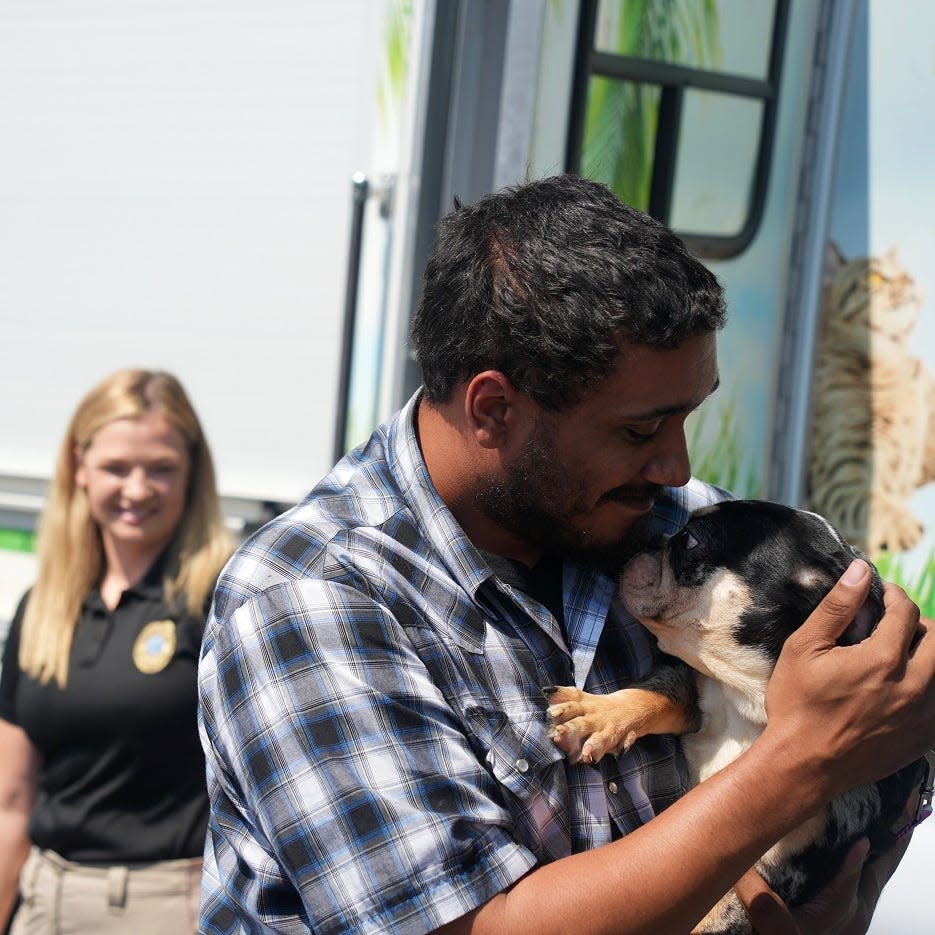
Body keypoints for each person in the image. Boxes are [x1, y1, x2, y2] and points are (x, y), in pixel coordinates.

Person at [197, 175, 935, 934]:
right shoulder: (310, 598)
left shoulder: (676, 526)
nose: (677, 468)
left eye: (688, 416)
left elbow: (882, 731)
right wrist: (801, 758)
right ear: (492, 409)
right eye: (640, 430)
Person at [0, 369, 233, 935]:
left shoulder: (222, 598)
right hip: (43, 899)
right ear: (78, 469)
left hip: (165, 904)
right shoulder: (44, 606)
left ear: (192, 473)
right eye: (115, 468)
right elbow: (11, 798)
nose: (136, 489)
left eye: (160, 469)